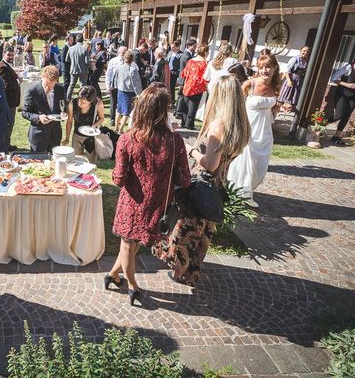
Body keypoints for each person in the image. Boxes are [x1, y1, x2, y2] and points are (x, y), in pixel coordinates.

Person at [153, 75, 250, 286]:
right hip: (217, 185)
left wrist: (191, 151)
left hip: (201, 184)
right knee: (203, 231)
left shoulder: (218, 125)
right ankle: (190, 271)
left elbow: (210, 164)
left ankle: (179, 270)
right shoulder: (240, 125)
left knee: (187, 229)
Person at [106, 84, 191, 305]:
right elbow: (184, 179)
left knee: (128, 243)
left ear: (141, 108)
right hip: (157, 204)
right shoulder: (175, 141)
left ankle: (132, 286)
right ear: (164, 111)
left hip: (133, 203)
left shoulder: (127, 139)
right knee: (131, 244)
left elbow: (118, 179)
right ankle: (114, 275)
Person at [227, 53, 281, 207]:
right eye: (261, 67)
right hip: (248, 127)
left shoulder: (275, 86)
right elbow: (235, 106)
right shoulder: (249, 84)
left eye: (268, 67)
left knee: (260, 163)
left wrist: (278, 108)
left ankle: (249, 189)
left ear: (275, 68)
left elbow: (271, 110)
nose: (264, 70)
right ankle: (242, 193)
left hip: (265, 131)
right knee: (245, 160)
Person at [21, 65, 65, 152]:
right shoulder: (32, 90)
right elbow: (25, 112)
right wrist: (38, 118)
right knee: (37, 163)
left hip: (55, 135)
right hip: (38, 135)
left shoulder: (60, 90)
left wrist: (64, 113)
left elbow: (63, 106)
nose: (49, 88)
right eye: (47, 84)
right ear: (42, 77)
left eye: (52, 85)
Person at [63, 85, 105, 163]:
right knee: (76, 161)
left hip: (91, 137)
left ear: (90, 101)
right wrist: (67, 138)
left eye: (83, 102)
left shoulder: (98, 104)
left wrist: (95, 125)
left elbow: (102, 118)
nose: (79, 102)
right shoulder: (72, 103)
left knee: (91, 162)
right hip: (77, 136)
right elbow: (69, 121)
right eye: (79, 98)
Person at [329, 50, 355, 146]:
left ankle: (336, 136)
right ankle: (319, 125)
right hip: (343, 94)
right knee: (338, 115)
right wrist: (348, 85)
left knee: (347, 115)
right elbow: (334, 78)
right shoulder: (348, 66)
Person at [0, 47, 21, 151]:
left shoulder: (5, 65)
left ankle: (7, 144)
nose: (11, 57)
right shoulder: (2, 66)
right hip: (8, 102)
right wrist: (18, 81)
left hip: (10, 101)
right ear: (4, 54)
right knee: (8, 125)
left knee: (9, 124)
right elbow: (6, 85)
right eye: (9, 55)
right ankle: (4, 146)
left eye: (12, 54)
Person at [179, 44, 209, 130]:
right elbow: (205, 76)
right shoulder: (204, 63)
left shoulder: (191, 61)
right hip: (197, 87)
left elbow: (184, 73)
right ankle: (189, 124)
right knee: (193, 106)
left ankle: (183, 122)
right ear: (205, 52)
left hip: (188, 85)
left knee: (186, 105)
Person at [115, 50, 143, 133]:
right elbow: (136, 84)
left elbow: (116, 78)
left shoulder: (119, 67)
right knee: (126, 112)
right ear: (132, 59)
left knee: (119, 109)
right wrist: (139, 93)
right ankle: (120, 129)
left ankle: (116, 127)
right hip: (129, 92)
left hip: (120, 91)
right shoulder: (133, 70)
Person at [278, 46, 310, 111]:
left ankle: (287, 111)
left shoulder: (305, 61)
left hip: (298, 81)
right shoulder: (294, 59)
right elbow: (287, 71)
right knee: (286, 95)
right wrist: (289, 80)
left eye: (307, 52)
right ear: (300, 51)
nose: (305, 53)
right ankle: (277, 110)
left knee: (293, 97)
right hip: (292, 79)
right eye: (304, 51)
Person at [105, 46, 129, 125]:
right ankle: (112, 118)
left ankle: (120, 117)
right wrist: (107, 85)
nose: (124, 54)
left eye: (126, 52)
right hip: (114, 85)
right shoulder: (113, 61)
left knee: (122, 102)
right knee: (113, 102)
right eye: (123, 52)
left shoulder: (128, 62)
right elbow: (108, 73)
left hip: (124, 86)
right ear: (119, 53)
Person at [175, 39, 197, 118]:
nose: (195, 48)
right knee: (182, 96)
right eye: (194, 46)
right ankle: (178, 112)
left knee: (181, 96)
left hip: (183, 78)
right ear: (189, 46)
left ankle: (177, 111)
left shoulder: (188, 54)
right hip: (184, 78)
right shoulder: (187, 56)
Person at [66, 34, 90, 99]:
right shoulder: (84, 49)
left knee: (71, 85)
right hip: (83, 70)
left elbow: (67, 59)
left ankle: (68, 99)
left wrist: (73, 62)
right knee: (83, 86)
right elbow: (87, 61)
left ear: (76, 40)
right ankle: (82, 99)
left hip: (73, 69)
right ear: (82, 40)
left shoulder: (71, 48)